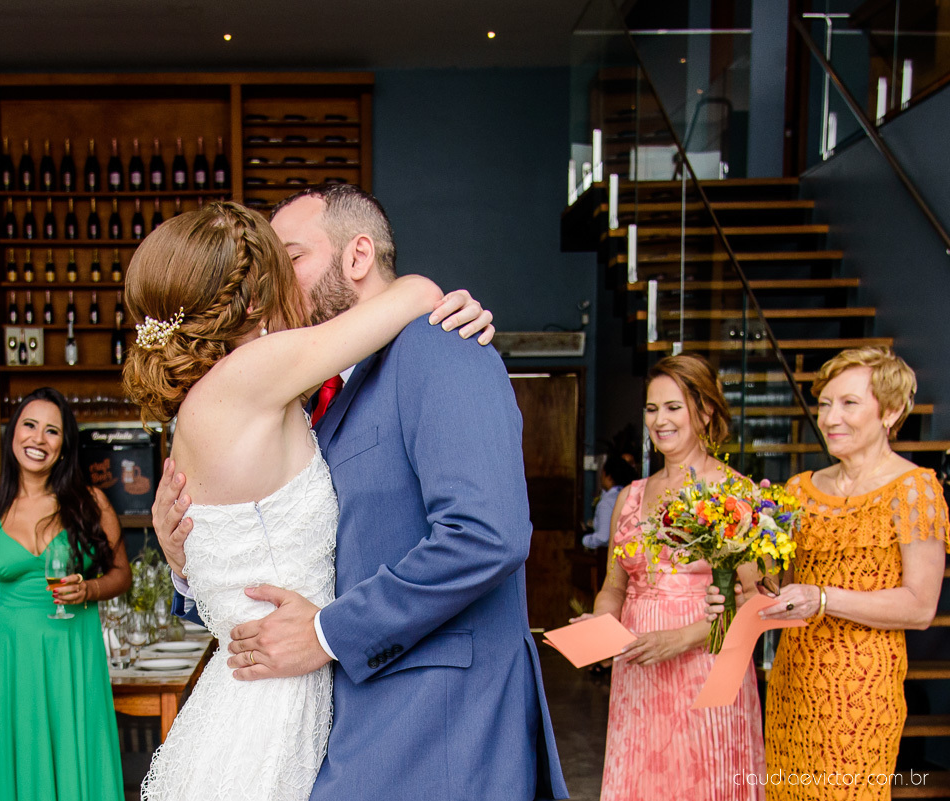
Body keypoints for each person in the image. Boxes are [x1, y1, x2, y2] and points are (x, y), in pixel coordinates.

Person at [149, 186, 567, 800]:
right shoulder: (309, 396)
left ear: (358, 255)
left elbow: (487, 534)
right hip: (343, 733)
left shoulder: (440, 344)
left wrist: (325, 634)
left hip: (441, 732)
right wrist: (186, 559)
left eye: (289, 258)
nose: (270, 285)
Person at [748, 347, 947, 800]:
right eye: (824, 404)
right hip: (792, 685)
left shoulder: (915, 490)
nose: (830, 417)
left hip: (861, 693)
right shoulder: (799, 489)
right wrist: (743, 575)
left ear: (891, 411)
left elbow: (919, 607)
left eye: (849, 403)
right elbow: (785, 588)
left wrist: (824, 598)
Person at [574, 354, 765, 801]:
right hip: (638, 669)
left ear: (705, 411)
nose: (660, 420)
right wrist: (602, 627)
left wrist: (682, 638)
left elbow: (755, 600)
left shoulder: (737, 493)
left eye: (673, 407)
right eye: (652, 408)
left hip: (707, 668)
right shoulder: (631, 496)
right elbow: (613, 587)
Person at [0, 386, 132, 801]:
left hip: (73, 649)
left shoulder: (90, 503)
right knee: (23, 755)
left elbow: (123, 575)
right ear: (12, 434)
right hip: (14, 656)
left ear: (64, 445)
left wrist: (89, 589)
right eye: (29, 426)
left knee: (76, 749)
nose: (38, 439)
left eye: (52, 431)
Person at [582, 449, 639, 550]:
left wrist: (585, 540)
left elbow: (603, 537)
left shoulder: (607, 502)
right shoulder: (631, 495)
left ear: (607, 476)